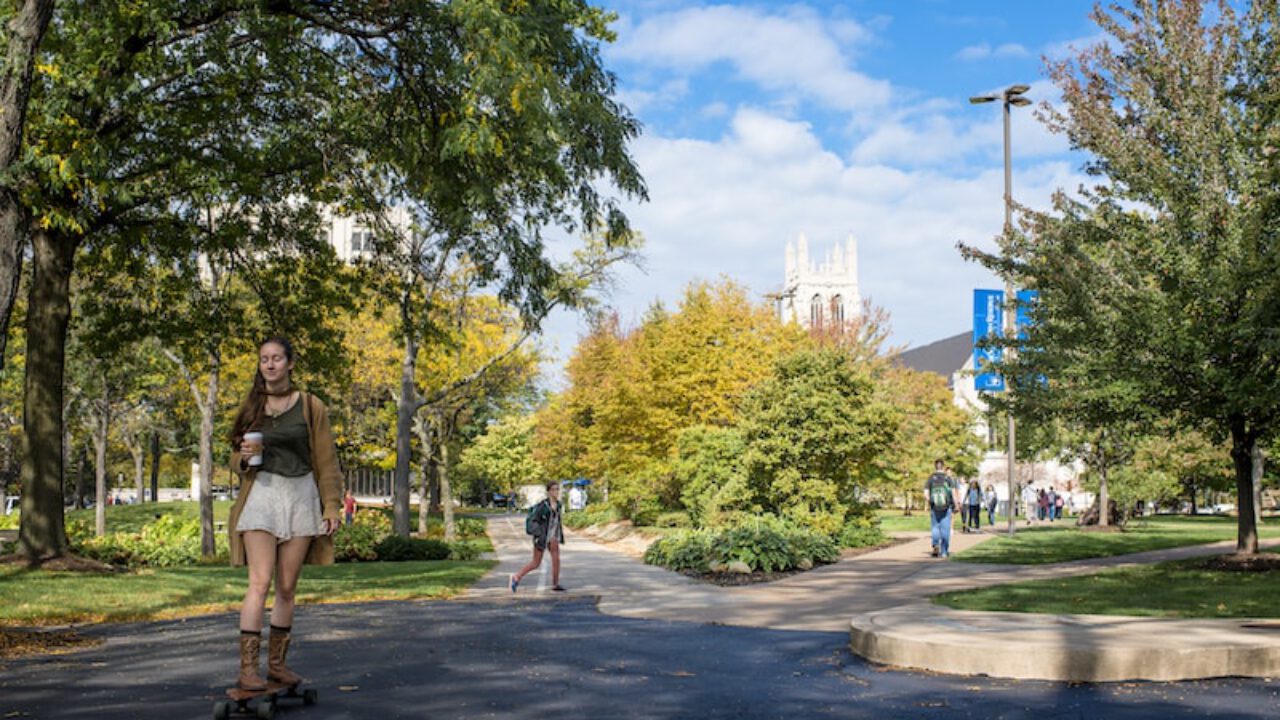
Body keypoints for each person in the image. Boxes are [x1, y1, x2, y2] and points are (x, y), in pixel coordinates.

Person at [228, 338, 343, 691]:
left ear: (290, 363)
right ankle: (248, 669)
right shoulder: (252, 405)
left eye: (276, 358)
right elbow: (233, 457)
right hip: (262, 494)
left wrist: (332, 505)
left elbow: (326, 460)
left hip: (301, 495)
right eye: (264, 359)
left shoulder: (310, 405)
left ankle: (277, 665)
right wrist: (243, 457)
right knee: (259, 581)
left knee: (287, 587)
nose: (270, 364)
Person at [510, 482, 566, 592]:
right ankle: (516, 577)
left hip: (553, 536)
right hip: (542, 537)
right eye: (553, 489)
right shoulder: (543, 506)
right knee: (536, 563)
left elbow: (557, 522)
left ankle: (555, 584)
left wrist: (558, 535)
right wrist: (539, 534)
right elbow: (534, 520)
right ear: (549, 492)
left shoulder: (559, 505)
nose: (556, 492)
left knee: (556, 560)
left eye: (557, 489)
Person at [924, 460, 957, 558]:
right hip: (946, 507)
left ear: (935, 467)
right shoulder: (948, 478)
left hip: (934, 507)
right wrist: (956, 504)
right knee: (945, 529)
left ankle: (935, 545)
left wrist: (930, 501)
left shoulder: (931, 478)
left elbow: (926, 493)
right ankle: (944, 551)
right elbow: (953, 493)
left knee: (935, 527)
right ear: (943, 467)